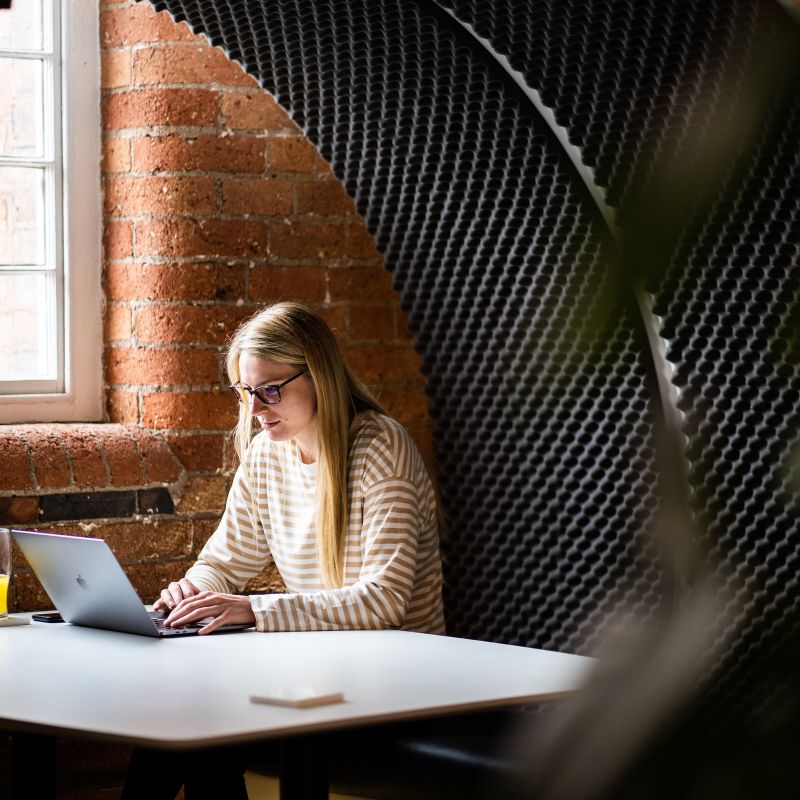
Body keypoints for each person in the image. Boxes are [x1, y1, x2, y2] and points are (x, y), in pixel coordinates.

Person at [122, 301, 445, 799]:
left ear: (319, 376)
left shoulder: (381, 447)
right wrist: (193, 592)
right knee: (178, 722)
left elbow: (385, 600)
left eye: (271, 390)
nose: (255, 409)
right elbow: (223, 563)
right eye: (247, 391)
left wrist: (252, 609)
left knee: (202, 730)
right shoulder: (265, 456)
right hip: (320, 679)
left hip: (399, 689)